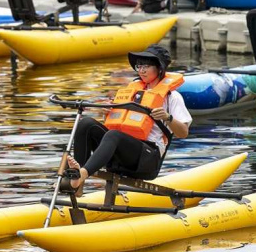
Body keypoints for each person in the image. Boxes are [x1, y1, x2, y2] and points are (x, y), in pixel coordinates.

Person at [66, 45, 192, 195]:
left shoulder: (173, 97)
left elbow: (183, 133)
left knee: (113, 136)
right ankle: (77, 188)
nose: (141, 70)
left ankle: (82, 174)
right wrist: (107, 112)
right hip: (121, 153)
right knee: (85, 124)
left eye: (147, 66)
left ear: (159, 68)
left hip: (147, 160)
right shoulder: (132, 91)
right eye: (139, 66)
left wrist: (167, 117)